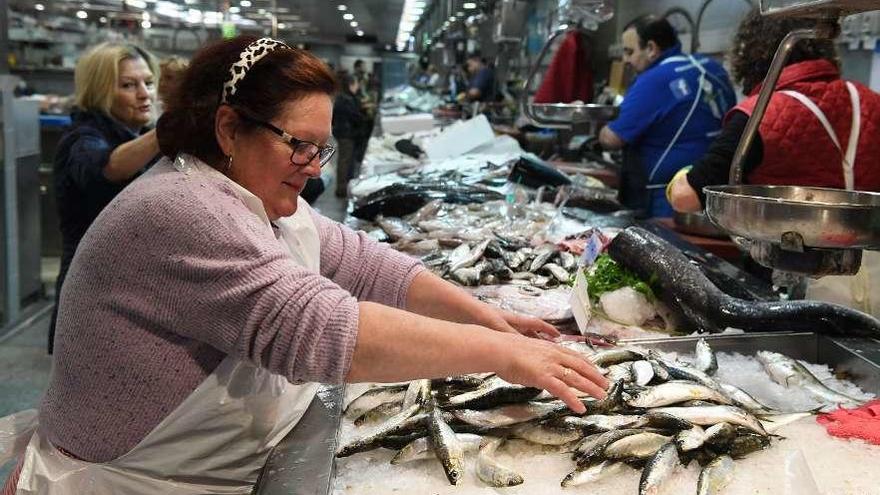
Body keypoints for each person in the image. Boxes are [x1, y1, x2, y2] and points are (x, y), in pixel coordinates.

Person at [1, 36, 607, 494]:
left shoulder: (253, 196)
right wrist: (501, 355)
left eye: (322, 148)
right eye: (299, 145)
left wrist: (486, 316)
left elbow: (368, 265)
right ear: (229, 127)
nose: (315, 166)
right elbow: (313, 329)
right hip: (132, 482)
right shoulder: (181, 208)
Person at [666, 8, 880, 318]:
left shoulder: (761, 113)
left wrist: (681, 176)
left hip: (783, 283)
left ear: (751, 53)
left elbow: (687, 197)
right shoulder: (871, 101)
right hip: (872, 273)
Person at [48, 42, 160, 354]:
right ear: (100, 91)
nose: (144, 94)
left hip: (127, 293)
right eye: (128, 85)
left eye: (148, 83)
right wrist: (166, 134)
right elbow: (104, 168)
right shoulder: (80, 138)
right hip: (92, 295)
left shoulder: (136, 136)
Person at [598, 16, 735, 218]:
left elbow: (612, 139)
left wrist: (599, 128)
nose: (625, 60)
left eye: (629, 52)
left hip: (667, 198)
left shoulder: (654, 80)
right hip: (714, 193)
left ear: (651, 48)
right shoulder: (712, 67)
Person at [333, 72, 366, 197]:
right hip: (346, 134)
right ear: (351, 84)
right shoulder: (346, 99)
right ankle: (341, 189)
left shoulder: (344, 97)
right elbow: (354, 116)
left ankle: (345, 186)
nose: (358, 86)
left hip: (345, 133)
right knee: (345, 161)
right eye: (356, 83)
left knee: (347, 161)